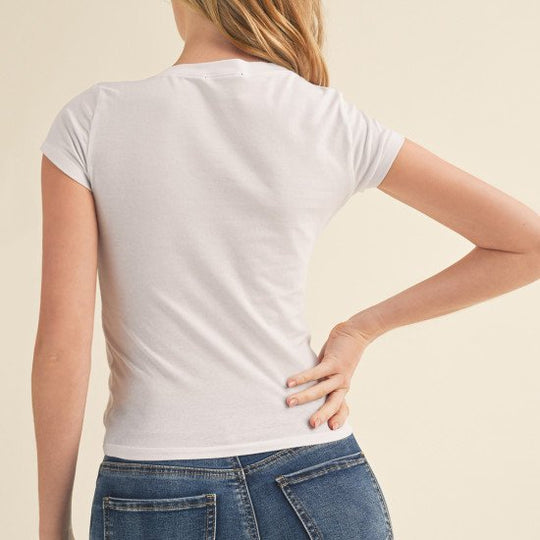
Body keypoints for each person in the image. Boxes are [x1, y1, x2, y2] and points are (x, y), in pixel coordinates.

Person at [32, 1, 540, 539]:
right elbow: (525, 244)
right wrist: (360, 330)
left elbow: (63, 347)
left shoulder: (93, 120)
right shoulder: (326, 118)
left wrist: (50, 526)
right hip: (316, 468)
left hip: (157, 489)